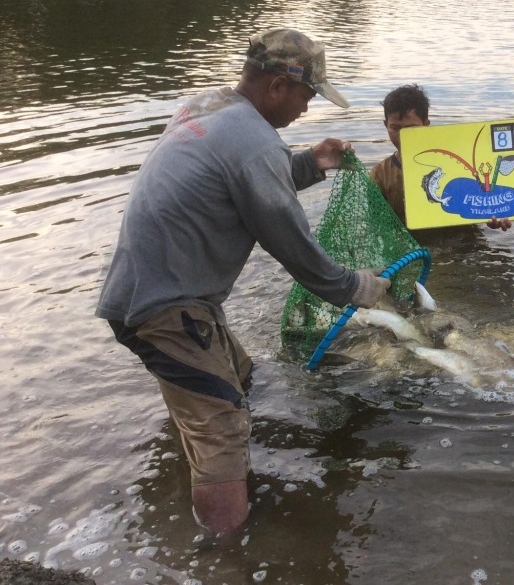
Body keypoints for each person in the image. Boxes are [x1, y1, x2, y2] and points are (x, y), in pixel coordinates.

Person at [95, 27, 390, 537]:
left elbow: (233, 180)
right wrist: (360, 288)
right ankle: (226, 553)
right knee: (224, 429)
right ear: (278, 86)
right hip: (166, 309)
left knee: (240, 380)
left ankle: (187, 456)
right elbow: (299, 253)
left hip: (148, 293)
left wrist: (308, 163)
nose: (305, 108)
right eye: (306, 95)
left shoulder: (207, 107)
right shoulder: (255, 144)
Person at [369, 84, 511, 232]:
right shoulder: (380, 175)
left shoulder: (458, 164)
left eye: (411, 129)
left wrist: (493, 215)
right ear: (386, 125)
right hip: (411, 250)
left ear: (426, 125)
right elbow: (375, 226)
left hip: (462, 244)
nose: (403, 136)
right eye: (395, 128)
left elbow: (483, 202)